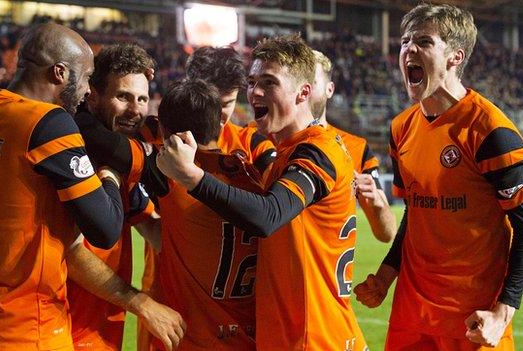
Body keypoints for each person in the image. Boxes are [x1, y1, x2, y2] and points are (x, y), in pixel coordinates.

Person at [157, 34, 368, 350]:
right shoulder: (289, 150)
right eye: (253, 81)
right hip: (295, 335)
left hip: (316, 338)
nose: (254, 91)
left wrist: (192, 177)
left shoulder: (317, 151)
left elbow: (267, 216)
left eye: (269, 83)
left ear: (303, 93)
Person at [353, 4, 523, 350]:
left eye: (423, 41)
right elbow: (416, 212)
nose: (409, 48)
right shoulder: (401, 128)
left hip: (474, 318)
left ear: (456, 55)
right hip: (412, 313)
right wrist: (385, 276)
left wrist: (502, 312)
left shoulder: (490, 131)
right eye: (405, 40)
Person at [0, 23, 125, 350]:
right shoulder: (48, 123)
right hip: (25, 328)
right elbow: (106, 229)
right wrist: (111, 175)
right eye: (86, 77)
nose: (88, 91)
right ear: (59, 73)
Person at [137, 45, 276, 350]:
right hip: (167, 295)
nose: (223, 112)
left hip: (234, 309)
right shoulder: (157, 135)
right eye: (215, 99)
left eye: (229, 101)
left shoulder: (252, 143)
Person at [68, 44, 185, 351]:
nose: (136, 110)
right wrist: (141, 303)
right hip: (64, 329)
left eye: (142, 99)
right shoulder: (70, 157)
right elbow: (71, 253)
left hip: (103, 331)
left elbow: (152, 227)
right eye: (123, 97)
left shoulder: (118, 165)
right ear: (92, 95)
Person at [311, 49, 396, 243]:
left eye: (312, 82)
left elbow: (387, 233)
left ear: (329, 89)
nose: (304, 89)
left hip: (330, 274)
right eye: (298, 82)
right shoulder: (267, 142)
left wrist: (377, 202)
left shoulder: (356, 148)